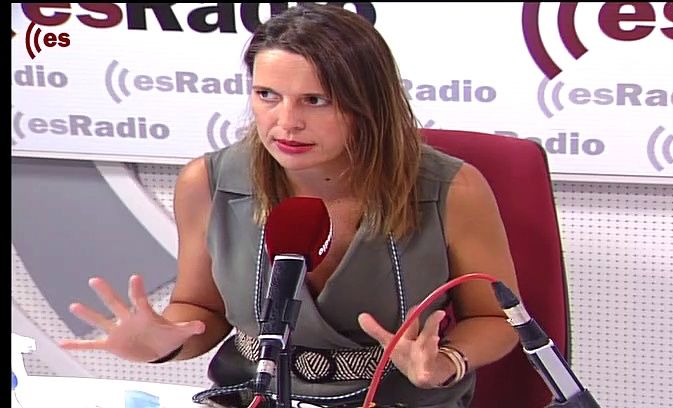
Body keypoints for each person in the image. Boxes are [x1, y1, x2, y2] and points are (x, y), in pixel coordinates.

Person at [59, 4, 521, 407]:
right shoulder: (207, 182)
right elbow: (199, 308)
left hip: (397, 398)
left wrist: (447, 361)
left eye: (314, 100)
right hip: (251, 395)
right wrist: (163, 341)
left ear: (369, 105)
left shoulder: (453, 188)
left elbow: (495, 318)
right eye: (267, 96)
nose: (286, 122)